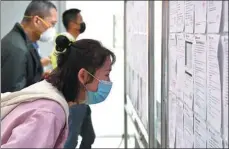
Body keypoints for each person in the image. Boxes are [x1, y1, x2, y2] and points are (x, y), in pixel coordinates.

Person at [1, 35, 116, 148]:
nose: (109, 81)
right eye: (106, 74)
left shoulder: (47, 91)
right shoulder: (49, 113)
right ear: (83, 75)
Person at [50, 9, 95, 149]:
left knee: (89, 136)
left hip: (80, 97)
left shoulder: (72, 42)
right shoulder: (66, 42)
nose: (82, 23)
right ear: (72, 23)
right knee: (71, 140)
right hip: (73, 97)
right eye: (80, 20)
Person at [1, 0, 57, 93]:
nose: (52, 29)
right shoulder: (16, 49)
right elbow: (14, 96)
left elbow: (27, 77)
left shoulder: (27, 42)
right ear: (36, 21)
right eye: (52, 24)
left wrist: (41, 77)